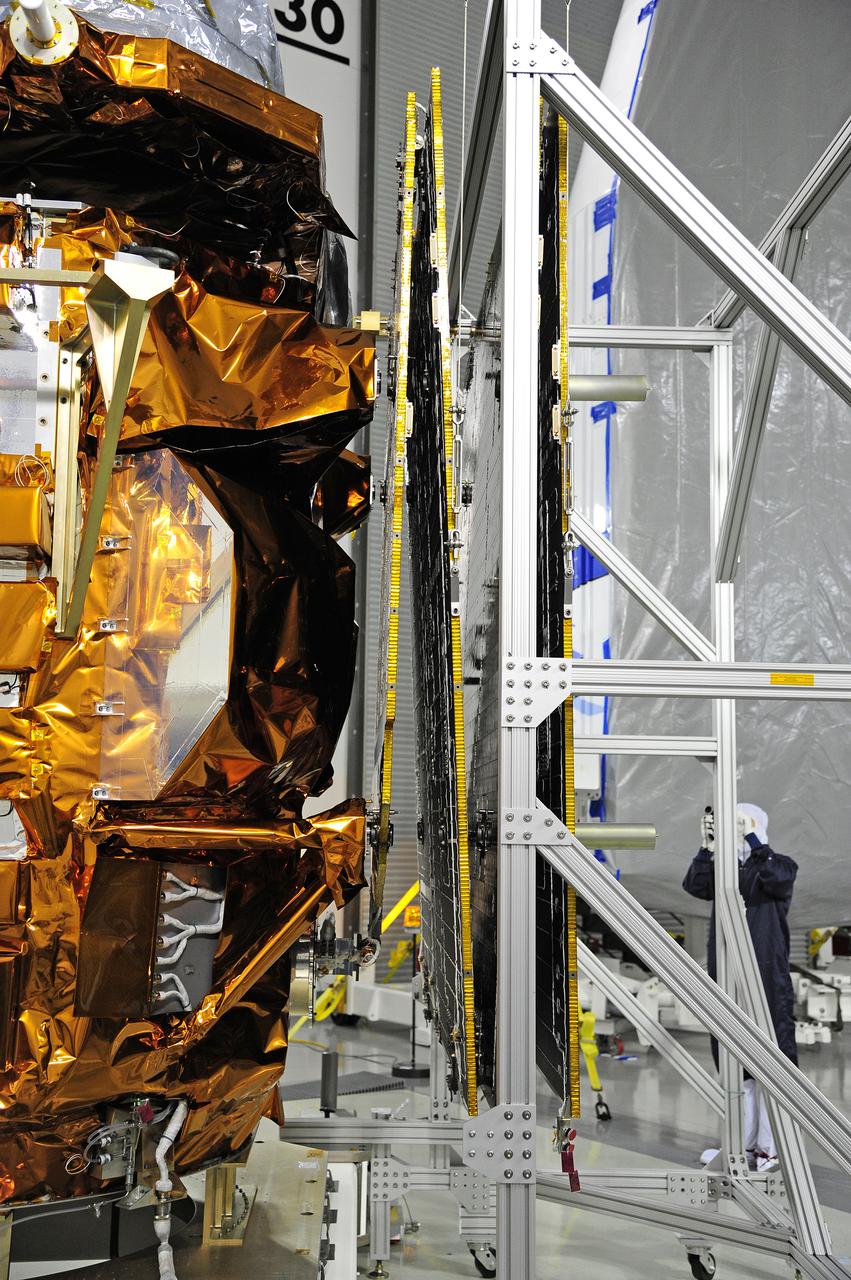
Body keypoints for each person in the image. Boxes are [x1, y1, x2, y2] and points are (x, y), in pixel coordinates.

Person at [683, 802, 798, 1173]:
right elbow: (695, 885)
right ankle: (741, 1144)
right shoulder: (725, 870)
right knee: (734, 1061)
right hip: (728, 976)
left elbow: (776, 879)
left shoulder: (778, 865)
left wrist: (752, 837)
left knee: (773, 1059)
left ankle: (771, 1146)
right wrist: (708, 848)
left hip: (767, 977)